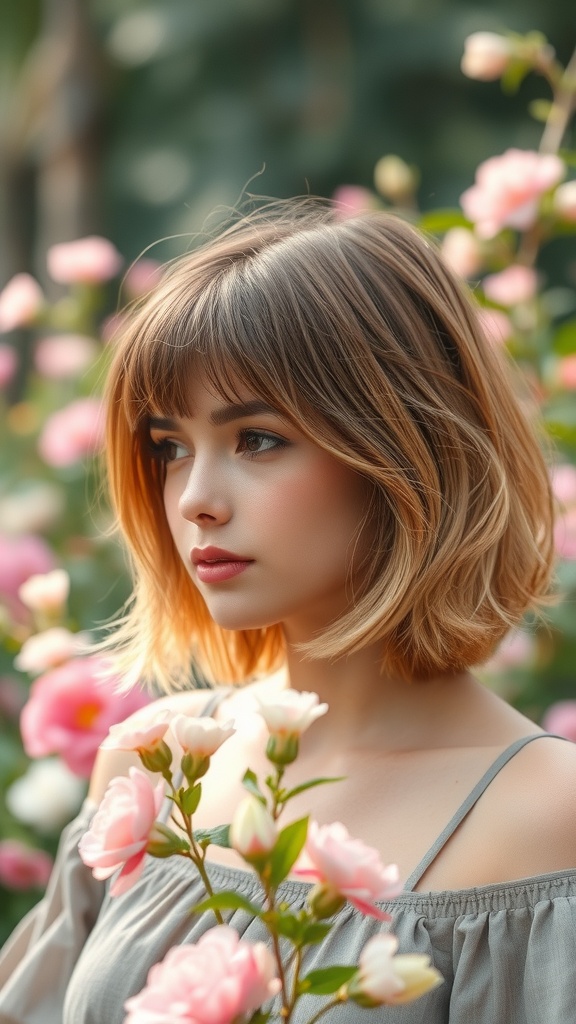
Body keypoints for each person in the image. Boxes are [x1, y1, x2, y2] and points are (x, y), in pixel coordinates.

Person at [1, 200, 575, 1024]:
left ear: (405, 453)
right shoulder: (154, 769)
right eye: (169, 447)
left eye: (257, 439)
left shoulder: (545, 814)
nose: (194, 499)